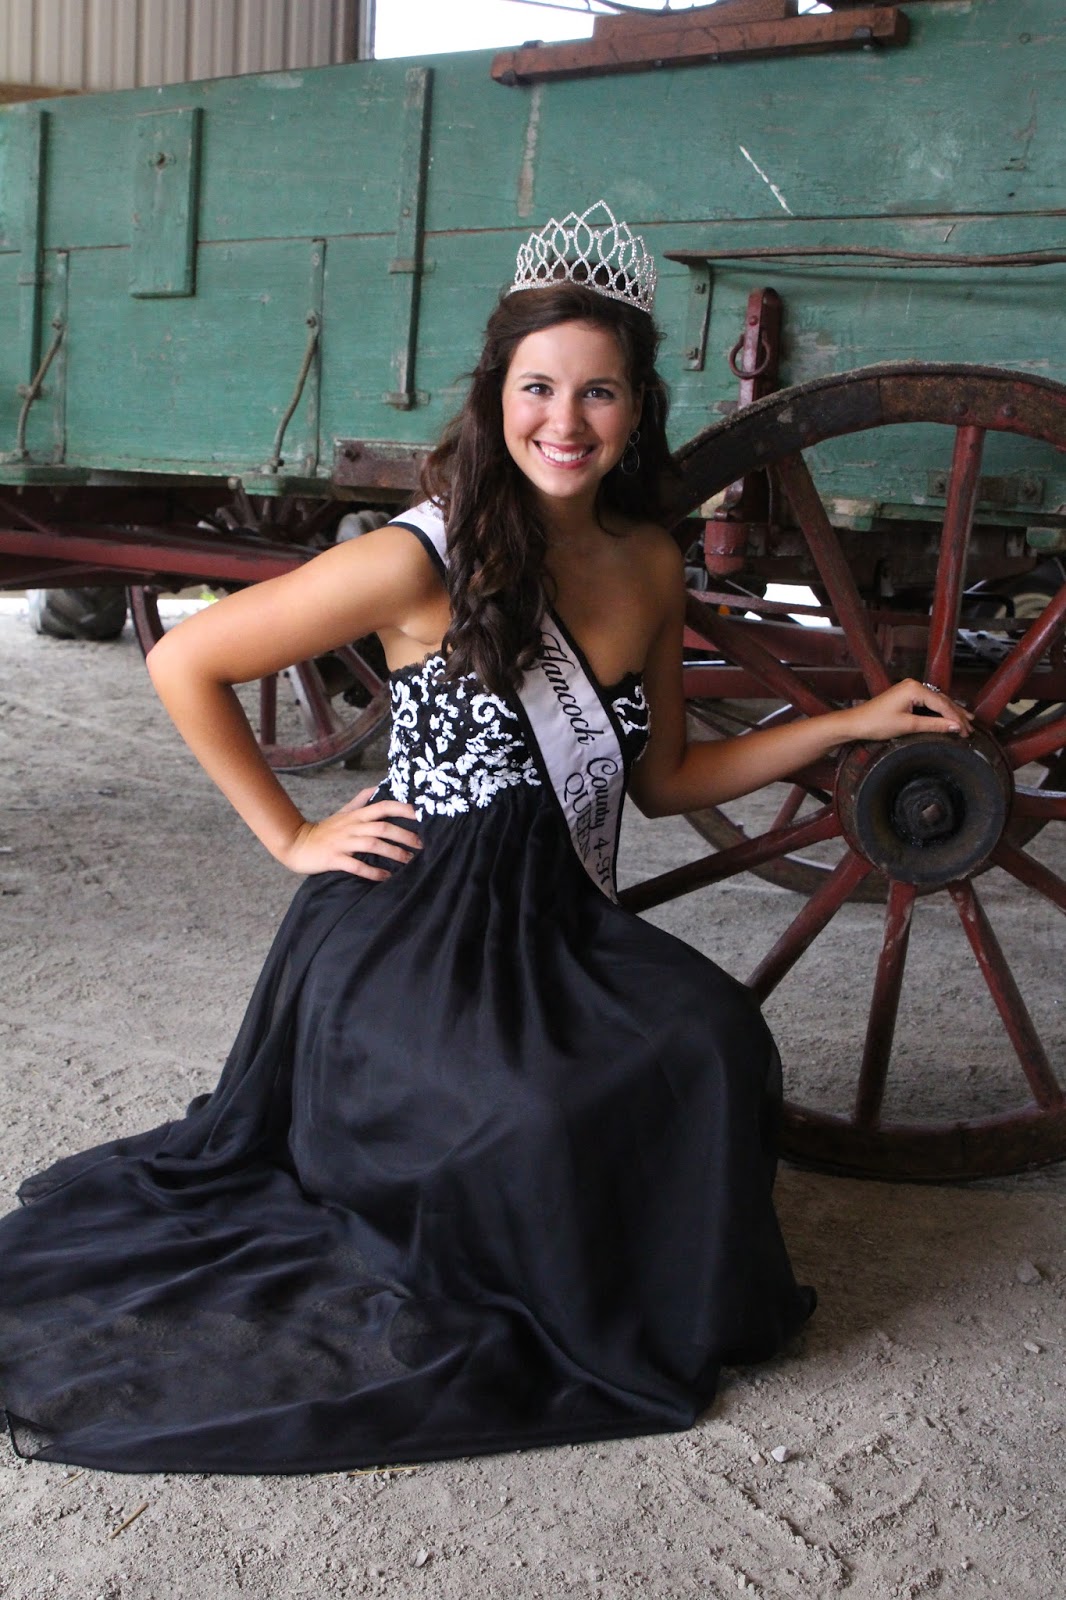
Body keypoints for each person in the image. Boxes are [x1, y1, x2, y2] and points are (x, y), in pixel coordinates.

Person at [0, 204, 972, 1475]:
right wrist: (289, 833)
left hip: (553, 918)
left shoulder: (648, 559)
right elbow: (186, 659)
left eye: (598, 393)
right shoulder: (425, 558)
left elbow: (669, 778)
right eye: (537, 388)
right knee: (528, 1112)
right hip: (409, 927)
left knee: (714, 1041)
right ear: (495, 394)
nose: (564, 422)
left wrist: (845, 720)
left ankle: (666, 1296)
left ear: (637, 410)